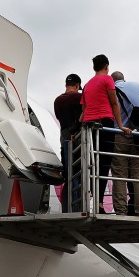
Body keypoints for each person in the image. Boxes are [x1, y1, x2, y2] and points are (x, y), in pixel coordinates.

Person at [81, 55, 131, 213]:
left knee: (91, 162)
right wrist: (120, 125)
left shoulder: (87, 84)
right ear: (106, 66)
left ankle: (90, 198)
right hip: (105, 123)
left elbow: (84, 109)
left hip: (88, 125)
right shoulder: (108, 79)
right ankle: (100, 203)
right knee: (104, 162)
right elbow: (114, 102)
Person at [112, 72, 139, 216]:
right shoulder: (136, 86)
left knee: (119, 175)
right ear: (124, 79)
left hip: (119, 135)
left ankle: (121, 211)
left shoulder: (111, 90)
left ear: (112, 80)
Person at [54, 74, 83, 210]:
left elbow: (60, 118)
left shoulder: (57, 101)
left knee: (68, 175)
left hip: (64, 138)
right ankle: (77, 207)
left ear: (66, 85)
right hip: (78, 138)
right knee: (79, 173)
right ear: (77, 85)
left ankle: (67, 208)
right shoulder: (79, 98)